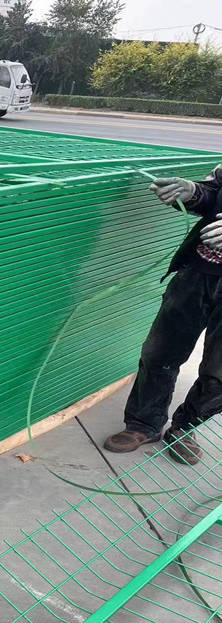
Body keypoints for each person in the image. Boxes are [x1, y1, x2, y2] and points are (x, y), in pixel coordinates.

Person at [104, 169, 222, 465]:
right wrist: (194, 193)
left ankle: (185, 429)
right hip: (198, 273)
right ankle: (143, 423)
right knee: (160, 353)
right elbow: (214, 194)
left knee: (219, 375)